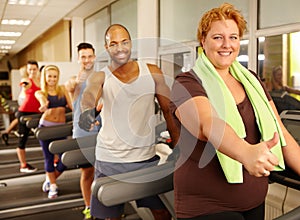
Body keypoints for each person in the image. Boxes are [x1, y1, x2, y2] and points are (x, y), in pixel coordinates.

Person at [169, 3, 300, 220]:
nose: (226, 45)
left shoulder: (252, 81)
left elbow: (282, 135)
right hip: (206, 206)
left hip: (254, 202)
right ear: (203, 41)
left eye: (234, 37)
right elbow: (207, 123)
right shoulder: (187, 83)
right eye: (217, 37)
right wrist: (246, 152)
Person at [79, 24, 177, 220]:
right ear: (107, 48)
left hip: (146, 161)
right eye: (113, 43)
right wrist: (86, 113)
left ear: (131, 43)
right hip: (110, 162)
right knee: (111, 217)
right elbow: (90, 96)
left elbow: (168, 110)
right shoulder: (100, 76)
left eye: (124, 42)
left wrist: (178, 144)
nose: (120, 47)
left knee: (162, 212)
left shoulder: (151, 71)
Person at [65, 42, 101, 220]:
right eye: (83, 57)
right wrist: (76, 81)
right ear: (78, 59)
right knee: (87, 172)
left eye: (90, 56)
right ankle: (88, 206)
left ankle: (103, 207)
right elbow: (70, 85)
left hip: (102, 131)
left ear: (94, 56)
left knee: (102, 171)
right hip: (82, 133)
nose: (87, 60)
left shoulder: (101, 77)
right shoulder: (74, 80)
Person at [35, 64, 72, 199]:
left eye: (55, 76)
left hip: (60, 128)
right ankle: (53, 186)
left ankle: (51, 180)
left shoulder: (62, 89)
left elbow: (72, 105)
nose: (52, 79)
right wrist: (43, 105)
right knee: (48, 158)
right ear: (44, 77)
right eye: (49, 76)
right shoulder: (40, 92)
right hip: (45, 128)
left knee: (66, 159)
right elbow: (42, 100)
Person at [17, 60, 41, 172]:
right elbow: (24, 85)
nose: (32, 71)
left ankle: (55, 160)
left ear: (37, 69)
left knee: (45, 136)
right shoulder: (26, 81)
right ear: (27, 70)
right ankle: (23, 165)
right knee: (23, 139)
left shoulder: (41, 81)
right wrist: (24, 86)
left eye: (34, 69)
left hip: (38, 113)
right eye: (30, 69)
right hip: (24, 112)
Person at [1, 65, 28, 146]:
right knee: (20, 118)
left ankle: (6, 132)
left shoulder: (26, 80)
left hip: (23, 100)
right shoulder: (25, 80)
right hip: (24, 100)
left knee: (18, 118)